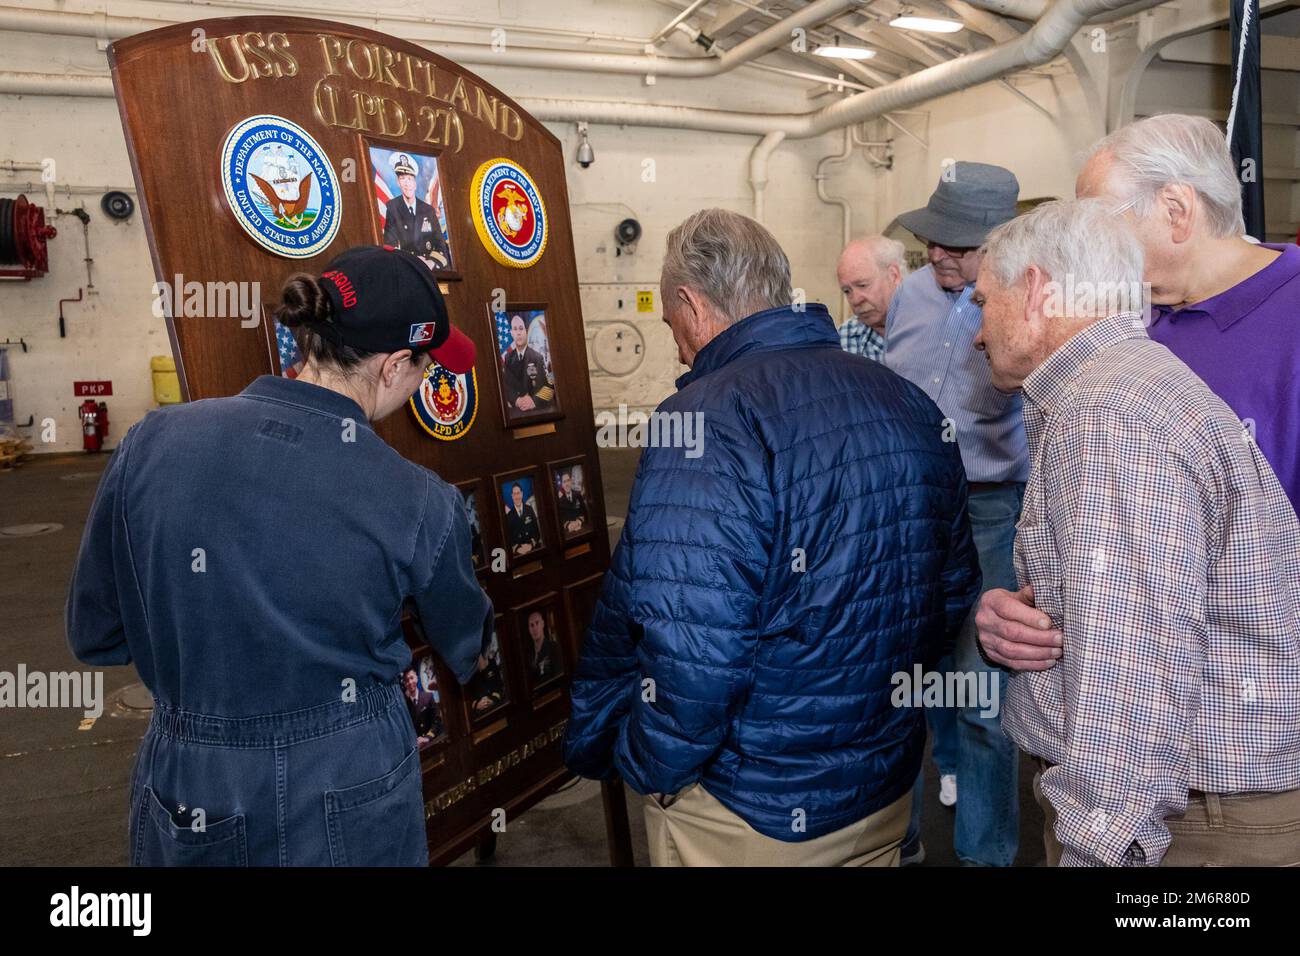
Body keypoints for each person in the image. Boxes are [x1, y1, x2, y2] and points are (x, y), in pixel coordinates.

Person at [564, 208, 980, 867]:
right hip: (885, 788)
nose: (673, 341)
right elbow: (950, 594)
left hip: (747, 810)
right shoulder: (907, 401)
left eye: (670, 320)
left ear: (688, 303)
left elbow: (693, 653)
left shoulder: (704, 422)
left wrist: (649, 763)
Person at [66, 245, 490, 866]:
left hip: (193, 783)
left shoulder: (153, 442)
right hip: (351, 782)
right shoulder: (420, 499)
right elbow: (467, 648)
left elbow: (96, 634)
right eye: (427, 369)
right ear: (397, 364)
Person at [973, 197, 1300, 866]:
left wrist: (1098, 852)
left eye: (983, 302)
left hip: (1195, 824)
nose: (978, 333)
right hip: (1194, 806)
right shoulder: (1121, 390)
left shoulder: (1108, 413)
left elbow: (1130, 677)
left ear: (1036, 290)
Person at [978, 113, 1300, 672]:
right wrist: (1021, 613)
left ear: (1176, 210)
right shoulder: (1115, 327)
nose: (1081, 237)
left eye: (1098, 216)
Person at [884, 161, 1026, 866]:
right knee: (896, 687)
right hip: (907, 509)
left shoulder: (1026, 303)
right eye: (932, 239)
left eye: (958, 245)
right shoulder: (908, 295)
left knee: (982, 703)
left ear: (999, 247)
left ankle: (987, 857)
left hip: (990, 511)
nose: (938, 252)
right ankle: (895, 848)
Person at [836, 235, 907, 360]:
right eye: (847, 291)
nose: (856, 300)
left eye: (863, 285)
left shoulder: (933, 329)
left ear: (893, 275)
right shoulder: (842, 340)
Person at [382, 152, 451, 269]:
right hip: (407, 267)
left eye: (409, 178)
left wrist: (431, 262)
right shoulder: (392, 207)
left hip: (430, 267)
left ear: (415, 183)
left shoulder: (428, 210)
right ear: (398, 182)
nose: (406, 183)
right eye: (402, 178)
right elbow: (389, 246)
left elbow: (441, 247)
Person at [501, 314, 553, 413]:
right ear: (511, 333)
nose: (518, 333)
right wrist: (517, 400)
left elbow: (548, 386)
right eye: (515, 329)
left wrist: (534, 401)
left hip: (537, 410)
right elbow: (506, 386)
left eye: (521, 328)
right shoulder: (508, 358)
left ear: (526, 331)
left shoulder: (537, 358)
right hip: (516, 412)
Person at [467, 634, 505, 715]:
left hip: (497, 707)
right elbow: (469, 701)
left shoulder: (492, 664)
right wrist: (477, 705)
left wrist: (492, 700)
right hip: (479, 714)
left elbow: (499, 689)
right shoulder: (468, 673)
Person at [402, 668, 442, 745]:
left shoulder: (428, 697)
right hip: (418, 746)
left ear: (417, 678)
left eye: (412, 678)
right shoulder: (405, 707)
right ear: (404, 683)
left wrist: (427, 737)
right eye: (407, 680)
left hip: (433, 740)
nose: (410, 682)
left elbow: (437, 721)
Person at [505, 482, 543, 556]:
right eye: (514, 494)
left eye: (518, 493)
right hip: (519, 553)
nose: (517, 496)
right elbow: (509, 538)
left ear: (522, 494)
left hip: (533, 548)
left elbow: (537, 532)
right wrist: (517, 548)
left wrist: (531, 544)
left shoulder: (529, 509)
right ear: (512, 496)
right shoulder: (509, 516)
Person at [526, 610, 561, 684]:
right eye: (531, 625)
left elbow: (558, 676)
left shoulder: (553, 647)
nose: (535, 628)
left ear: (543, 624)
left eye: (537, 623)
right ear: (529, 630)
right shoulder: (529, 655)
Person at [556, 470, 589, 536]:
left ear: (571, 481)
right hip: (567, 532)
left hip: (581, 528)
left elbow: (584, 512)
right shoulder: (559, 501)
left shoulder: (578, 495)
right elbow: (560, 519)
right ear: (562, 485)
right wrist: (568, 525)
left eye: (568, 480)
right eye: (564, 482)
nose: (567, 484)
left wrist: (578, 522)